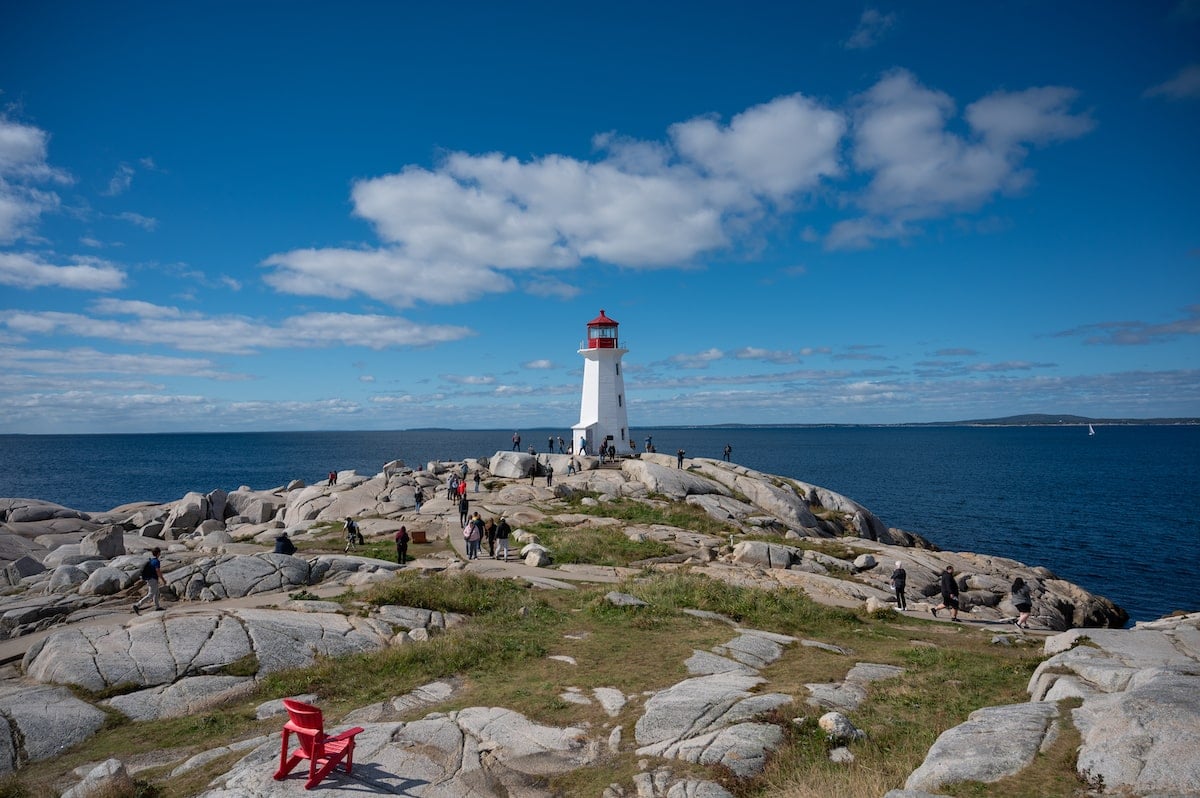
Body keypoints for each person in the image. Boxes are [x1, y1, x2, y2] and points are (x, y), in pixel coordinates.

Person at [133, 547, 165, 614]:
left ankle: (157, 607)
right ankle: (137, 605)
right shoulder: (156, 561)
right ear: (158, 553)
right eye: (160, 553)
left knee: (156, 592)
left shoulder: (151, 560)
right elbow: (158, 571)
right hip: (152, 579)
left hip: (150, 579)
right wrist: (163, 579)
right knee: (150, 595)